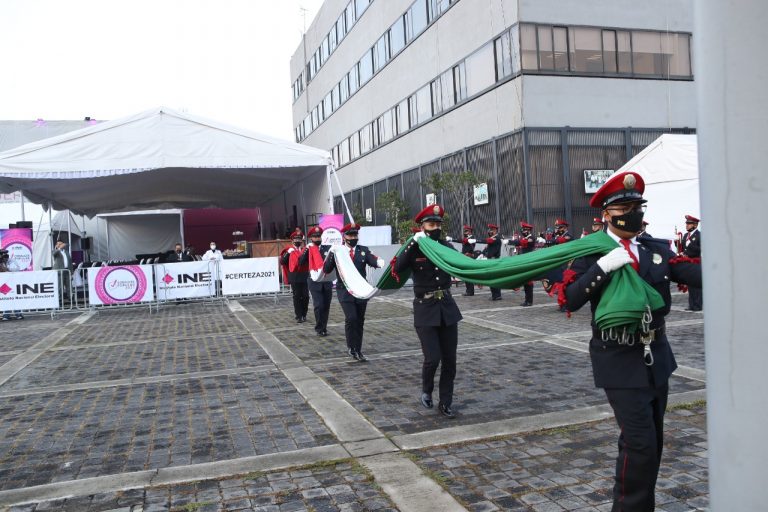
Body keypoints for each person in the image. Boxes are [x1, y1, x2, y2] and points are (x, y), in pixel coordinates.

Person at [565, 171, 701, 512]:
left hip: (657, 354)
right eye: (625, 207)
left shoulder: (657, 249)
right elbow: (570, 298)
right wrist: (602, 268)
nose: (633, 213)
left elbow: (693, 273)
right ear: (607, 215)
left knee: (652, 442)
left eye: (637, 206)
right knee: (639, 443)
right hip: (618, 358)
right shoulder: (592, 251)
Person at [394, 204, 462, 418]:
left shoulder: (445, 246)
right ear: (422, 227)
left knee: (450, 360)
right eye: (431, 224)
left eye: (438, 224)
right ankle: (426, 389)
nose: (435, 228)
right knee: (433, 358)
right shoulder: (414, 248)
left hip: (447, 308)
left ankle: (446, 402)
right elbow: (397, 267)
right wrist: (411, 244)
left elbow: (461, 263)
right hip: (425, 309)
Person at [322, 223, 385, 361]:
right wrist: (332, 254)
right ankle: (351, 347)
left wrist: (379, 262)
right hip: (344, 290)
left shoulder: (362, 250)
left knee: (360, 320)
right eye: (350, 235)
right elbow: (326, 269)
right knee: (351, 318)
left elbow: (372, 259)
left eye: (355, 235)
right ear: (344, 237)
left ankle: (358, 349)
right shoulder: (338, 251)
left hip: (361, 290)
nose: (353, 237)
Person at [298, 226, 332, 335]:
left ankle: (324, 327)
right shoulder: (309, 249)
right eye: (315, 237)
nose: (317, 238)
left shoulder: (328, 248)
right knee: (319, 305)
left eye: (318, 236)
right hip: (314, 281)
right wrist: (307, 249)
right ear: (311, 238)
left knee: (326, 305)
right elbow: (301, 262)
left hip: (326, 281)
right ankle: (319, 328)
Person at [281, 229, 310, 323]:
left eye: (299, 239)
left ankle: (304, 314)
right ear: (292, 240)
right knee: (297, 296)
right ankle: (298, 315)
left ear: (302, 240)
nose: (298, 241)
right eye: (296, 239)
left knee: (305, 296)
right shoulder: (288, 250)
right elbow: (282, 262)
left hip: (304, 275)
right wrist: (288, 253)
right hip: (294, 276)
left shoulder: (305, 250)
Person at [510, 221, 535, 306]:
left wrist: (510, 242)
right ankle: (527, 300)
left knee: (529, 282)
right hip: (525, 261)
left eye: (524, 230)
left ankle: (529, 301)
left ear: (528, 230)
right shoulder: (525, 238)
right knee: (525, 281)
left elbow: (521, 243)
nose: (523, 231)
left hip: (529, 262)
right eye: (523, 230)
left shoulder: (531, 238)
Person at [681, 215, 702, 311]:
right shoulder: (685, 236)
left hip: (696, 262)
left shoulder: (699, 235)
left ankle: (697, 305)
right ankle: (691, 304)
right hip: (688, 263)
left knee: (696, 286)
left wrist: (690, 246)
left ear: (695, 225)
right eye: (687, 223)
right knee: (690, 284)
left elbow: (701, 249)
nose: (687, 225)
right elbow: (683, 248)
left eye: (689, 224)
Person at [0, 250, 23, 321]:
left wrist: (8, 269)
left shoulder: (11, 260)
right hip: (3, 283)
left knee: (13, 297)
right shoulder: (1, 262)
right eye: (2, 255)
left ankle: (17, 314)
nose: (4, 256)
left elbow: (17, 268)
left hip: (12, 282)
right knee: (6, 298)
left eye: (5, 254)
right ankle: (6, 315)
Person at [482, 223, 503, 300]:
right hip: (490, 260)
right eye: (489, 230)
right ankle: (494, 294)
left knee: (494, 278)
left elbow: (492, 251)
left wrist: (487, 254)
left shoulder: (496, 238)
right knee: (491, 278)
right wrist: (483, 253)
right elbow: (487, 249)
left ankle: (497, 295)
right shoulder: (492, 239)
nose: (489, 231)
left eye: (491, 230)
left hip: (494, 260)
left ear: (495, 231)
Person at [460, 225, 477, 296]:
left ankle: (470, 291)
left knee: (469, 275)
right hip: (465, 258)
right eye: (465, 231)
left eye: (466, 231)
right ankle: (468, 290)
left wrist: (469, 254)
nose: (465, 232)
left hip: (469, 257)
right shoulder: (466, 238)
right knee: (466, 275)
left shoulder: (472, 238)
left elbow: (471, 248)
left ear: (470, 231)